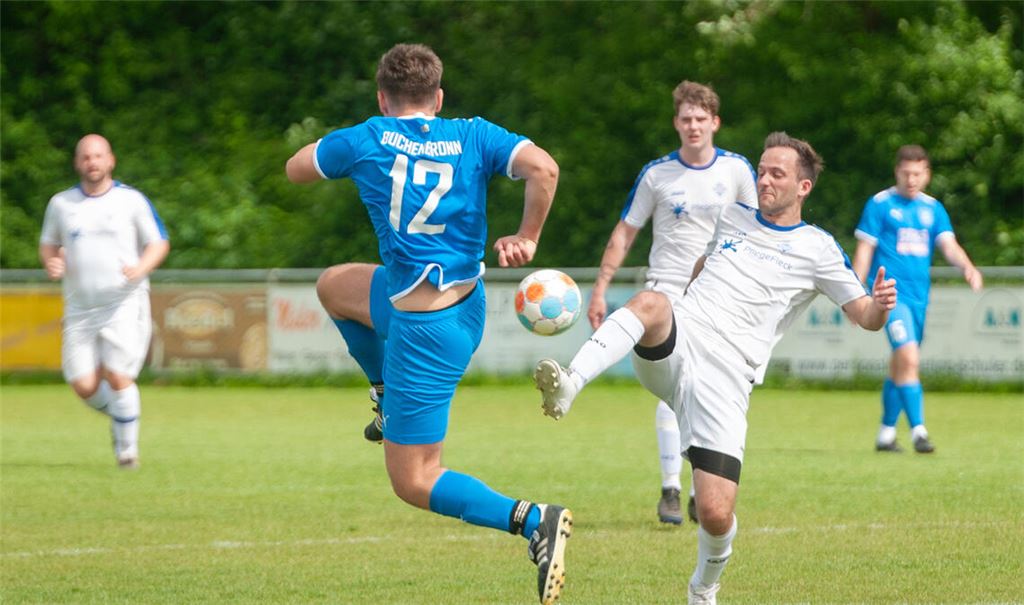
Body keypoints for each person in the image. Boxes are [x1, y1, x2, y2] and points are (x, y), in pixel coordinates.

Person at [533, 132, 897, 605]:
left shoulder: (818, 249)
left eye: (776, 174)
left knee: (715, 512)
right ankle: (570, 383)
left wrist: (883, 306)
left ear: (803, 187)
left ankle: (704, 589)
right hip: (682, 342)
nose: (763, 179)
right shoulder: (733, 215)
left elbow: (865, 317)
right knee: (650, 302)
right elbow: (703, 265)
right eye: (762, 170)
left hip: (727, 378)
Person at [285, 44, 571, 604]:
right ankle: (384, 392)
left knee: (414, 480)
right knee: (334, 286)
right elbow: (545, 167)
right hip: (462, 304)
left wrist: (351, 144)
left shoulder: (367, 136)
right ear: (438, 98)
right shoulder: (472, 134)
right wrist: (529, 235)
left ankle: (534, 519)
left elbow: (296, 169)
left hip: (424, 333)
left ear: (382, 98)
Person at [587, 81, 756, 526]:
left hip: (719, 295)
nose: (693, 126)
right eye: (686, 118)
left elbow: (757, 231)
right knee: (670, 389)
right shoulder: (657, 174)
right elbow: (626, 231)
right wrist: (602, 287)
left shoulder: (737, 171)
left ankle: (705, 484)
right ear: (676, 123)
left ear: (715, 122)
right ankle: (670, 489)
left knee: (716, 392)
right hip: (666, 292)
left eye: (701, 118)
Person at [39, 134, 170, 469]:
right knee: (83, 384)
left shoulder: (131, 201)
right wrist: (51, 261)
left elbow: (159, 243)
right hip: (80, 307)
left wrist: (140, 268)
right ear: (77, 163)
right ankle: (125, 416)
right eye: (85, 157)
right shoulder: (61, 204)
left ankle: (127, 453)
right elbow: (49, 243)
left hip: (123, 302)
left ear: (110, 160)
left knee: (117, 374)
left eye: (98, 156)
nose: (92, 162)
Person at [852, 145, 983, 454]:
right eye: (906, 173)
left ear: (927, 175)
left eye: (917, 174)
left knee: (901, 365)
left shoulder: (933, 209)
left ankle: (885, 434)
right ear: (897, 171)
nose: (911, 179)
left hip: (919, 299)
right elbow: (864, 251)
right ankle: (919, 432)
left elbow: (949, 245)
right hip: (889, 299)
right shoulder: (880, 205)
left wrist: (967, 267)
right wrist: (856, 293)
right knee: (909, 358)